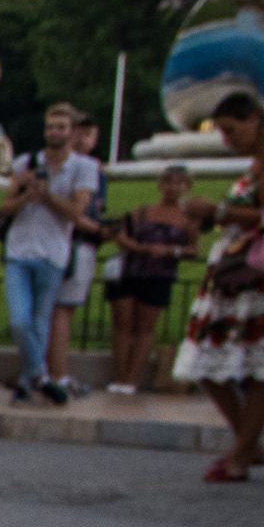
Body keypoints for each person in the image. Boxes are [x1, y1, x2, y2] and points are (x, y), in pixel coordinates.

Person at [173, 91, 264, 483]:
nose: (227, 140)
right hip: (235, 261)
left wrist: (216, 211)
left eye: (231, 130)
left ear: (253, 121)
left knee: (257, 363)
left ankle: (242, 453)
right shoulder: (257, 162)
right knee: (209, 360)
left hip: (262, 266)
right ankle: (248, 441)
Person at [0, 103, 99, 405]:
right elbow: (5, 207)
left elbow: (76, 212)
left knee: (41, 321)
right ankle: (40, 374)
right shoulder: (27, 162)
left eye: (61, 127)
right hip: (20, 249)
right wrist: (25, 194)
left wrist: (47, 195)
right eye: (50, 127)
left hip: (53, 252)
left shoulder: (83, 168)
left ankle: (29, 382)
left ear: (72, 131)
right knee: (19, 320)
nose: (54, 133)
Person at [102, 164, 199, 395]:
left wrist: (169, 251)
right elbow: (122, 236)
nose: (172, 187)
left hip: (159, 275)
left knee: (145, 327)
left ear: (186, 187)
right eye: (168, 182)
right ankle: (120, 375)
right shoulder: (143, 211)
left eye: (179, 183)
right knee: (123, 324)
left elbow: (193, 249)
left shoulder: (188, 219)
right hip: (131, 270)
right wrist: (140, 247)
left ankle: (131, 379)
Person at [45, 114, 109, 395]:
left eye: (88, 134)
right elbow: (76, 212)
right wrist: (95, 227)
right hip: (71, 242)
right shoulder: (76, 168)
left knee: (59, 310)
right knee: (60, 310)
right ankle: (55, 374)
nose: (82, 139)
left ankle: (50, 370)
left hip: (75, 241)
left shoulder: (93, 171)